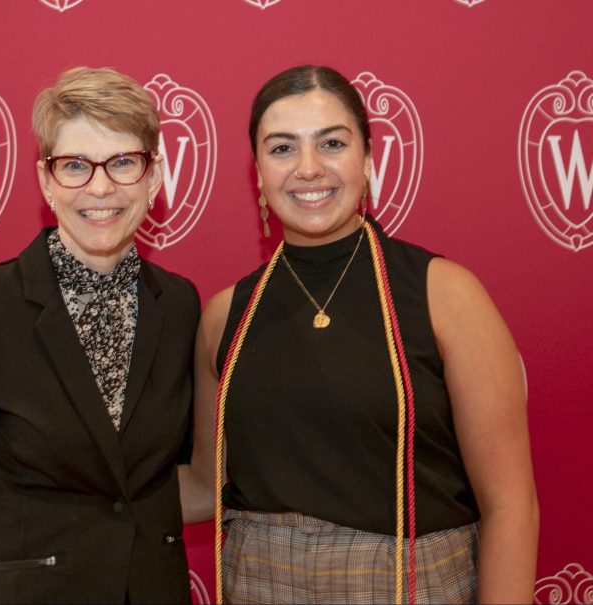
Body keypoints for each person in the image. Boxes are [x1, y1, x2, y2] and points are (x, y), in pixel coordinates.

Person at [179, 65, 539, 604]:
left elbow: (510, 505)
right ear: (257, 173)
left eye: (331, 143)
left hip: (409, 588)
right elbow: (207, 489)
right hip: (256, 586)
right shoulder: (224, 314)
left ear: (368, 161)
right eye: (281, 148)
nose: (308, 168)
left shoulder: (445, 294)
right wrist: (56, 491)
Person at [0, 66, 199, 604]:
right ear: (45, 179)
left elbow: (176, 475)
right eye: (76, 165)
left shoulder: (179, 305)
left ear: (154, 177)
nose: (101, 186)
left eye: (124, 162)